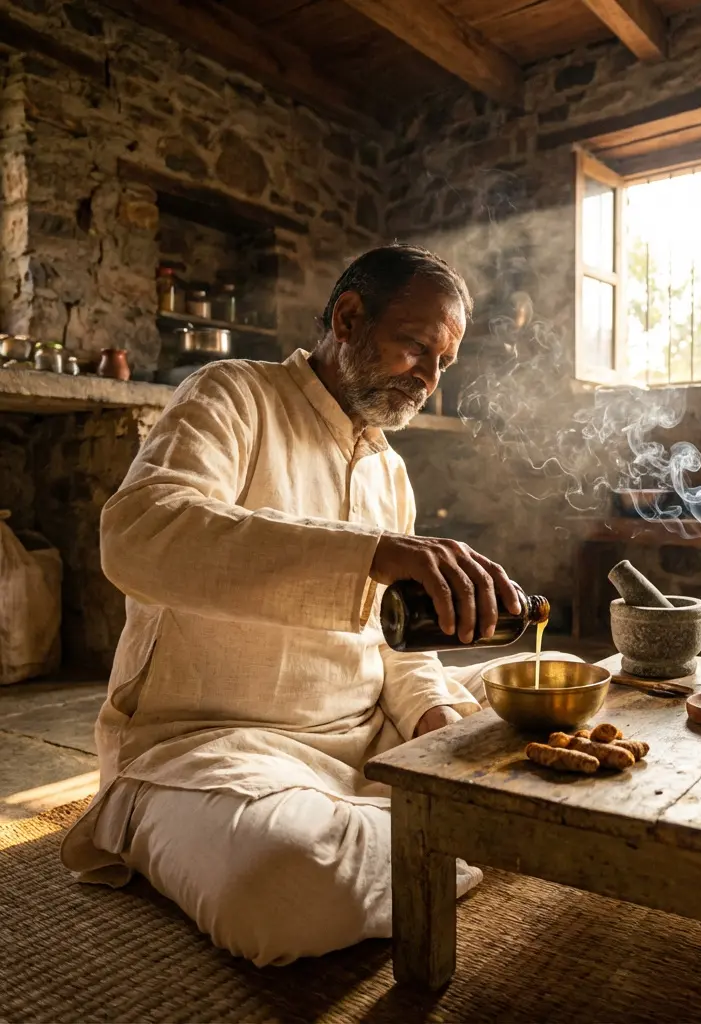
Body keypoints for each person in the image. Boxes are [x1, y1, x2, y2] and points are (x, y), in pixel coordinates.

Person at [61, 244, 573, 967]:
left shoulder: (390, 471)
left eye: (443, 364)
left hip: (368, 741)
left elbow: (397, 646)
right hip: (215, 752)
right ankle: (447, 838)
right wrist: (370, 554)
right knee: (291, 881)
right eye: (414, 348)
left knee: (550, 707)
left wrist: (437, 722)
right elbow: (139, 534)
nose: (428, 378)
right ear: (349, 317)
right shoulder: (231, 394)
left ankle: (435, 827)